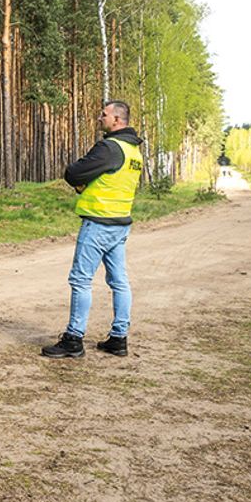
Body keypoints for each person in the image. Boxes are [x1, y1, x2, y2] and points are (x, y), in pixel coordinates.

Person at [42, 100, 143, 359]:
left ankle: (74, 338)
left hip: (98, 222)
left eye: (104, 114)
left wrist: (80, 183)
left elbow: (73, 173)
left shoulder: (109, 148)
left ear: (117, 120)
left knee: (80, 280)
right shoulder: (134, 152)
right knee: (120, 282)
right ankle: (119, 338)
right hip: (120, 224)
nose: (100, 118)